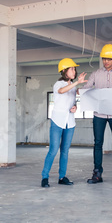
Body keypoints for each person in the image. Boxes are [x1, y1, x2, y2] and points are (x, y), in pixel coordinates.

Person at [83, 44, 112, 185]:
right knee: (98, 143)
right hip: (99, 114)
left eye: (109, 59)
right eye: (104, 59)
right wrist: (79, 88)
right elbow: (86, 89)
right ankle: (97, 174)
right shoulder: (95, 74)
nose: (106, 62)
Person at [41, 58, 86, 188]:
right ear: (64, 71)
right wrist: (77, 82)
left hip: (70, 122)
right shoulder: (58, 84)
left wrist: (75, 107)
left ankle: (62, 177)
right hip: (57, 121)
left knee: (65, 151)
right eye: (72, 69)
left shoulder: (73, 85)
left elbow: (72, 101)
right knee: (53, 150)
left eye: (74, 69)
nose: (74, 71)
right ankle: (45, 177)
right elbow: (62, 91)